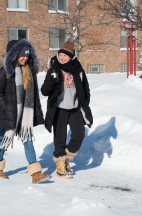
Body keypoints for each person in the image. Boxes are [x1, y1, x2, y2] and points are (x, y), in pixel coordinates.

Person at [0, 39, 49, 184]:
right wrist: (7, 108)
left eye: (27, 55)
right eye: (22, 55)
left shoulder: (29, 71)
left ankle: (35, 174)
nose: (25, 58)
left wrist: (36, 112)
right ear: (13, 55)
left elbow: (34, 96)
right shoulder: (4, 71)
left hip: (24, 115)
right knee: (2, 140)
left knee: (28, 140)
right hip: (8, 113)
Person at [41, 38, 93, 179]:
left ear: (72, 56)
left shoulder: (78, 70)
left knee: (79, 135)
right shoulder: (54, 70)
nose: (62, 57)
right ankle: (60, 167)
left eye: (66, 55)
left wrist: (84, 102)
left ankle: (67, 158)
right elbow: (44, 91)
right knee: (60, 138)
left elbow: (85, 88)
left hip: (75, 108)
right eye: (61, 54)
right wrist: (52, 82)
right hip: (59, 109)